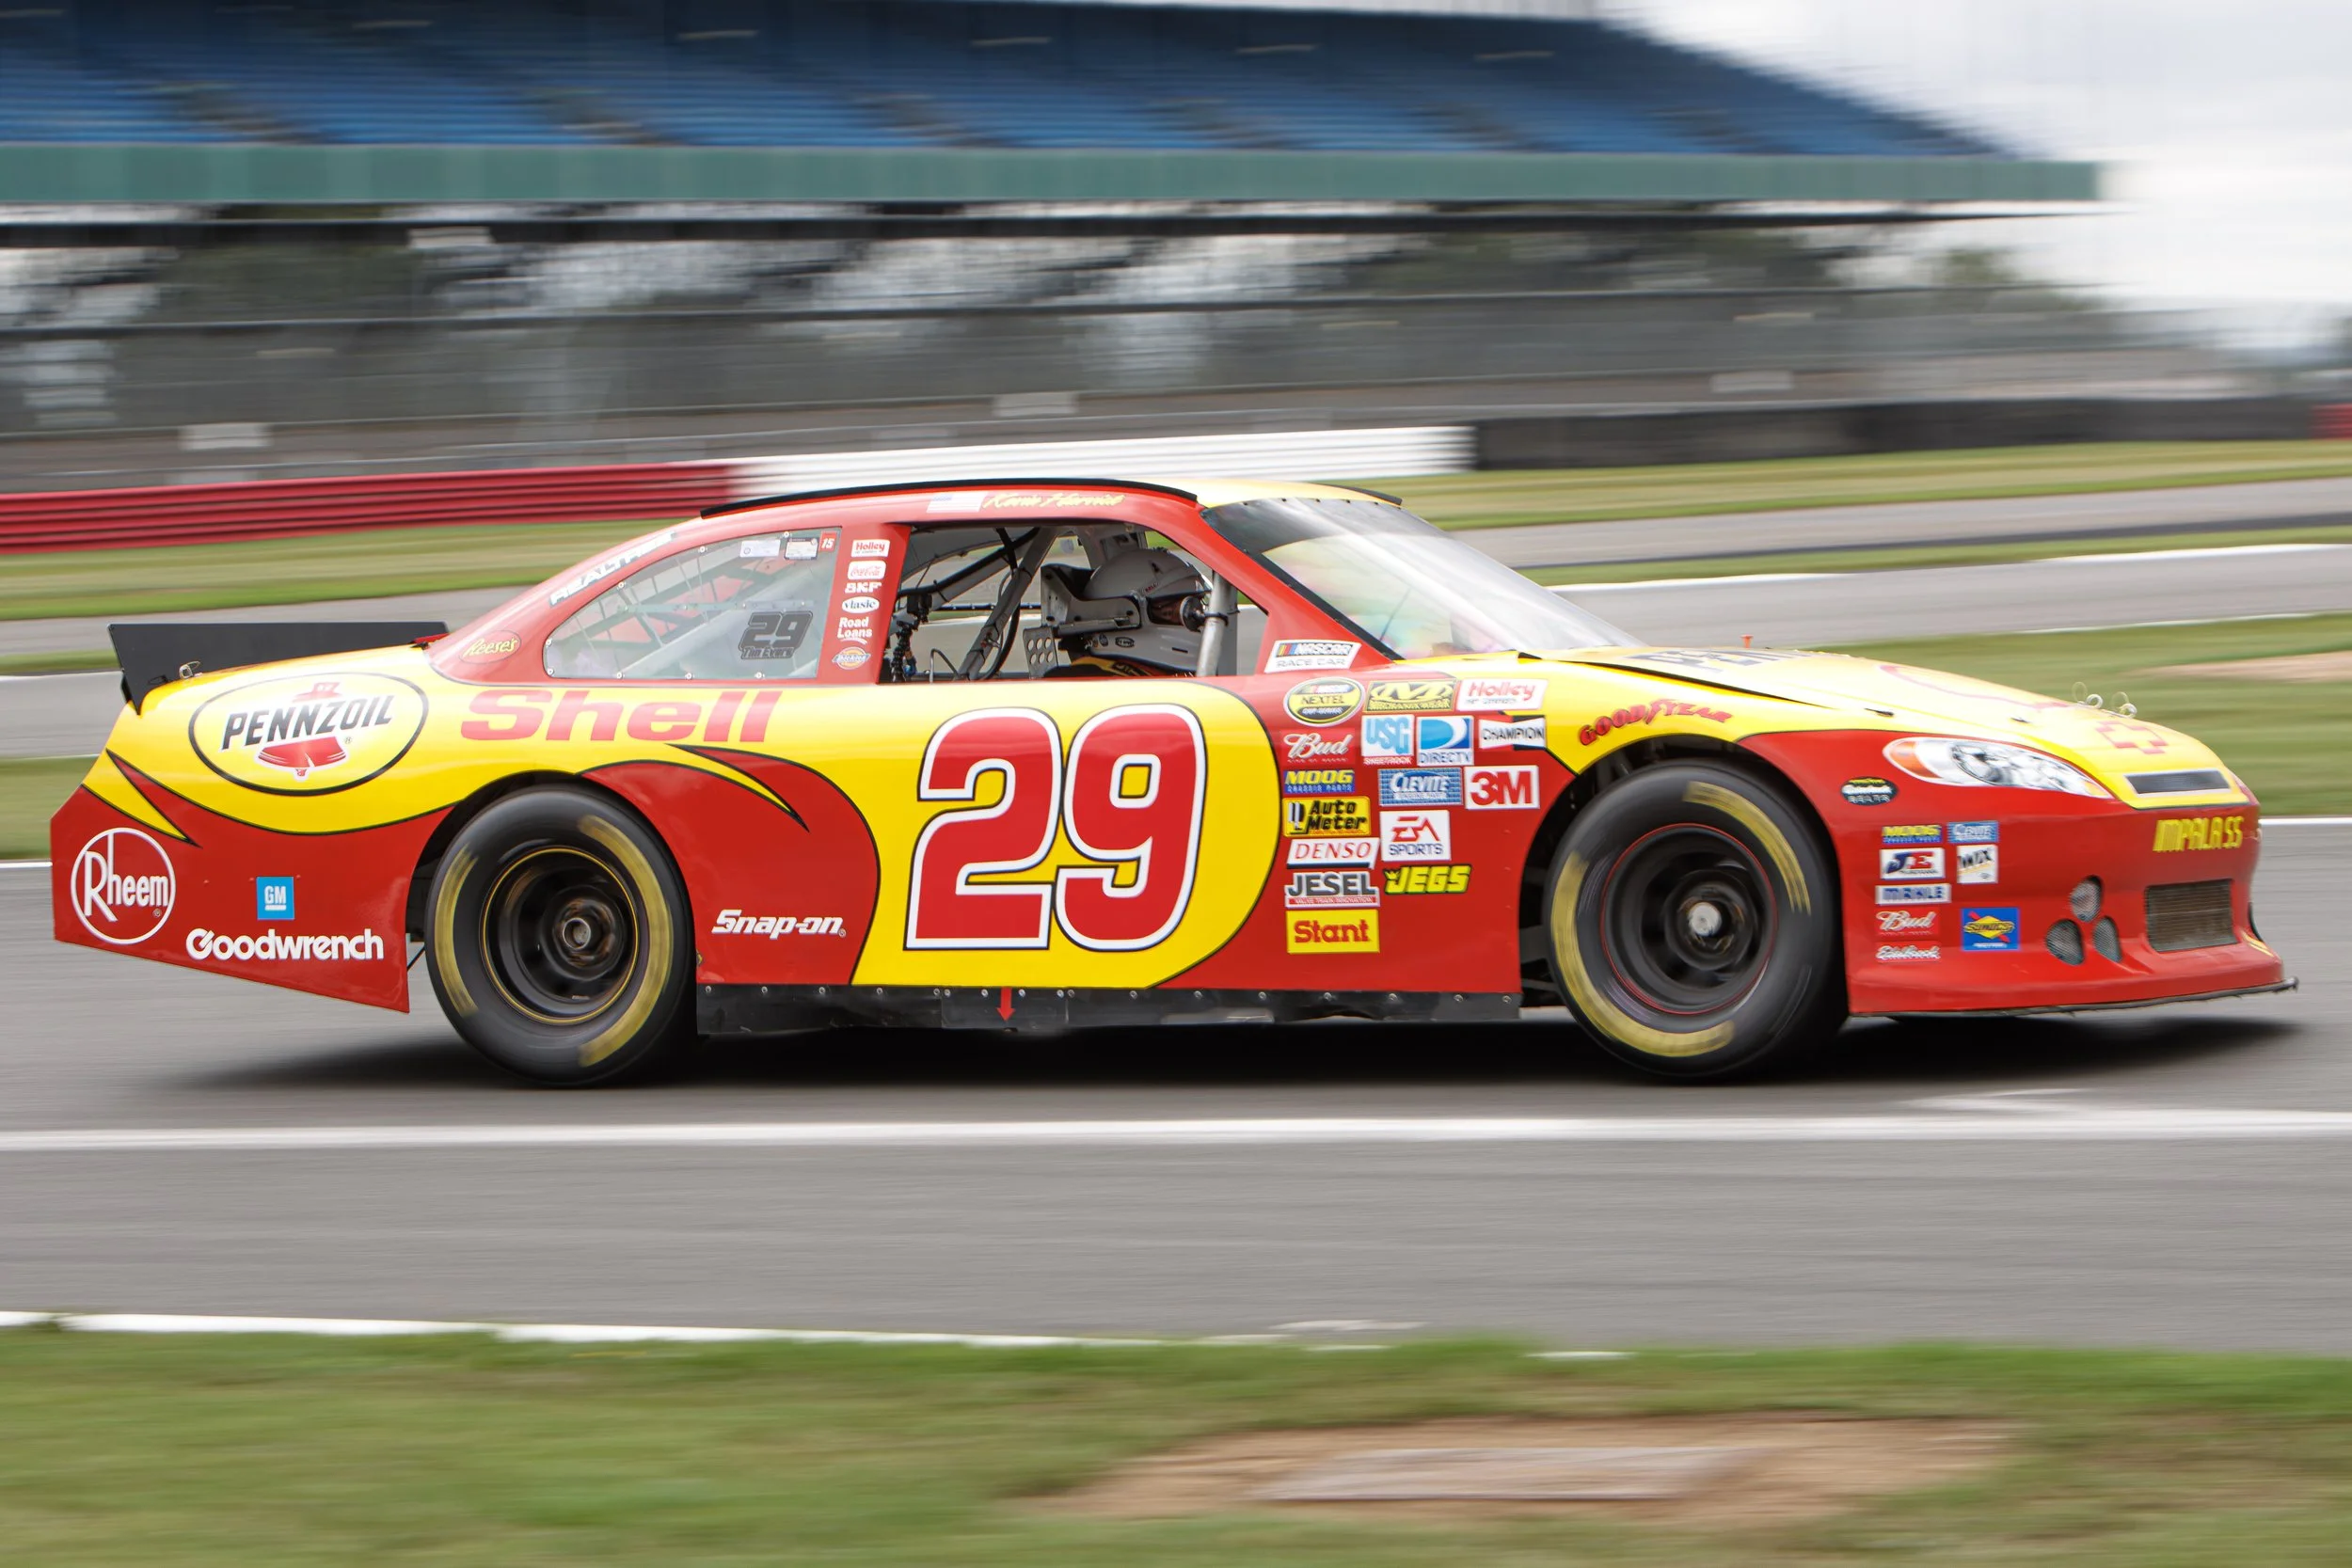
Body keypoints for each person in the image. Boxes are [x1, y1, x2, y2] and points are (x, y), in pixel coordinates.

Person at [1034, 546, 1207, 677]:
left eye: (1197, 605)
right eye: (1170, 611)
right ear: (1127, 615)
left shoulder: (1163, 681)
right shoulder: (1092, 687)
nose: (1197, 616)